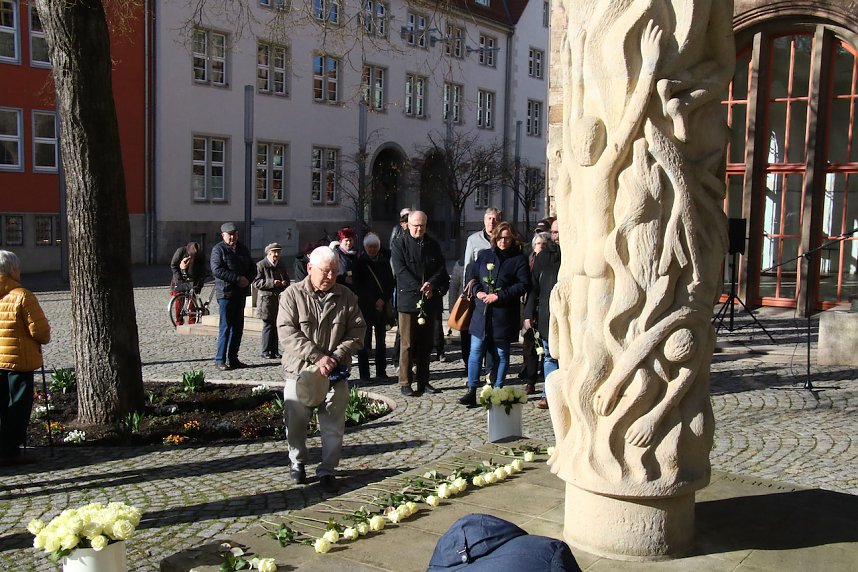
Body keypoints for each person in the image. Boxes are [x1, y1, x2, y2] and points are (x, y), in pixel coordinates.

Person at [278, 246, 365, 493]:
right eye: (325, 271)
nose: (330, 277)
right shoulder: (292, 295)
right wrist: (317, 357)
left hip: (335, 373)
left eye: (334, 272)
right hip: (300, 371)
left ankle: (328, 470)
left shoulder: (346, 296)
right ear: (309, 269)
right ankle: (297, 461)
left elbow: (358, 331)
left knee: (333, 427)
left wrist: (336, 357)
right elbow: (287, 333)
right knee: (294, 423)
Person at [459, 222, 531, 406]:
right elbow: (472, 277)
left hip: (503, 314)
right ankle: (471, 390)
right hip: (481, 313)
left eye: (507, 237)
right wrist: (477, 291)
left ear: (512, 238)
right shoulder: (485, 255)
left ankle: (498, 390)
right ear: (494, 238)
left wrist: (499, 296)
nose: (503, 241)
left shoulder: (519, 259)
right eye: (500, 237)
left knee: (501, 353)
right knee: (475, 351)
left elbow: (523, 285)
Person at [0, 250, 51, 464]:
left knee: (2, 407)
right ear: (12, 271)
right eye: (18, 269)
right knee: (18, 409)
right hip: (19, 362)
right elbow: (41, 333)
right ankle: (10, 452)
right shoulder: (22, 296)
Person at [391, 210, 449, 397]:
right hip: (408, 300)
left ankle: (423, 381)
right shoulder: (399, 244)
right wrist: (420, 287)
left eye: (422, 226)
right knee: (407, 344)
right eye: (415, 225)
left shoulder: (432, 244)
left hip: (429, 300)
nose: (418, 229)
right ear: (408, 224)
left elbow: (441, 269)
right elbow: (400, 271)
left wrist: (431, 285)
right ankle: (405, 381)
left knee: (426, 344)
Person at [524, 219, 561, 409]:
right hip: (547, 315)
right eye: (554, 232)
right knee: (549, 356)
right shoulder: (543, 257)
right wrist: (528, 313)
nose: (556, 236)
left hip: (569, 316)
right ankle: (548, 394)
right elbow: (533, 288)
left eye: (559, 232)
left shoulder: (574, 254)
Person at [211, 222, 256, 371]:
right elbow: (217, 270)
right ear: (223, 235)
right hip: (226, 293)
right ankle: (220, 359)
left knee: (238, 328)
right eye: (229, 235)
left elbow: (252, 268)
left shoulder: (242, 249)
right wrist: (237, 279)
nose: (232, 237)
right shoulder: (219, 250)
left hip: (240, 293)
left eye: (234, 234)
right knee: (225, 327)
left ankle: (233, 358)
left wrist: (247, 279)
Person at [355, 233, 394, 381]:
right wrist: (373, 301)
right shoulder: (359, 263)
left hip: (381, 308)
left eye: (375, 247)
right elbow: (358, 286)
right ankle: (364, 374)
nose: (372, 249)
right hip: (365, 308)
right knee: (364, 343)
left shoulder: (384, 261)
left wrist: (383, 299)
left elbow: (390, 283)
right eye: (369, 247)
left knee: (381, 341)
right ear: (365, 248)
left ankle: (381, 371)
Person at [520, 231, 552, 393]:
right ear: (534, 246)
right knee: (530, 344)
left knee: (545, 347)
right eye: (539, 244)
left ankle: (544, 375)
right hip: (529, 306)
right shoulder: (528, 260)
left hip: (545, 309)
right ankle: (531, 379)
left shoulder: (550, 261)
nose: (542, 247)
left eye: (545, 244)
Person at [254, 243, 290, 359]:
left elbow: (287, 279)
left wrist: (285, 283)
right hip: (266, 300)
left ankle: (274, 350)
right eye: (274, 252)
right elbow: (256, 282)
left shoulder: (281, 265)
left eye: (278, 252)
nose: (277, 254)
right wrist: (272, 282)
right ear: (268, 253)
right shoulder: (261, 265)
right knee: (268, 325)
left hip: (278, 299)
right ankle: (265, 350)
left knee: (276, 325)